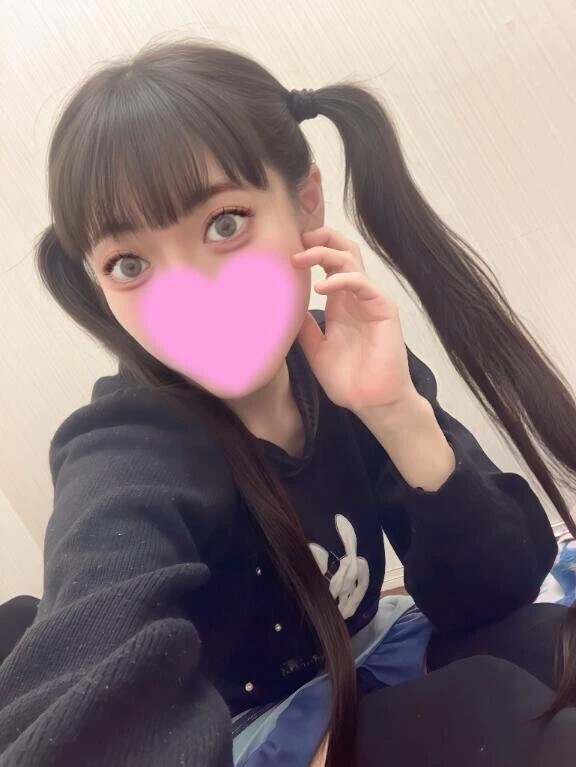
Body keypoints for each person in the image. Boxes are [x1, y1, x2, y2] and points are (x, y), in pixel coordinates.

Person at [1, 36, 575, 767]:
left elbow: (492, 594)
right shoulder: (124, 447)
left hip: (370, 657)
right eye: (129, 263)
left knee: (548, 649)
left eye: (225, 224)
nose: (192, 296)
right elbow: (89, 673)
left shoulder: (343, 359)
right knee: (487, 701)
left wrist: (397, 413)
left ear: (305, 202)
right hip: (249, 733)